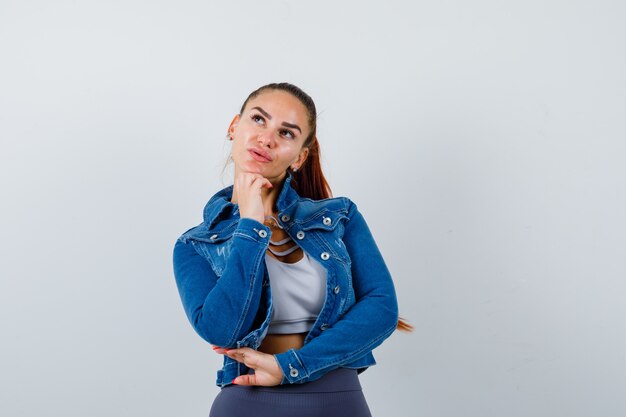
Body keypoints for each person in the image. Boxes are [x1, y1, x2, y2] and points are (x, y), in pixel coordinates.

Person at [173, 82, 412, 417]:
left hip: (337, 397)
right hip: (247, 403)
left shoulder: (339, 216)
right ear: (233, 127)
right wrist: (251, 227)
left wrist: (292, 365)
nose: (267, 138)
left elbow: (381, 308)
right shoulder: (194, 245)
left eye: (286, 133)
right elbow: (223, 330)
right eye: (258, 120)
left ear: (300, 156)